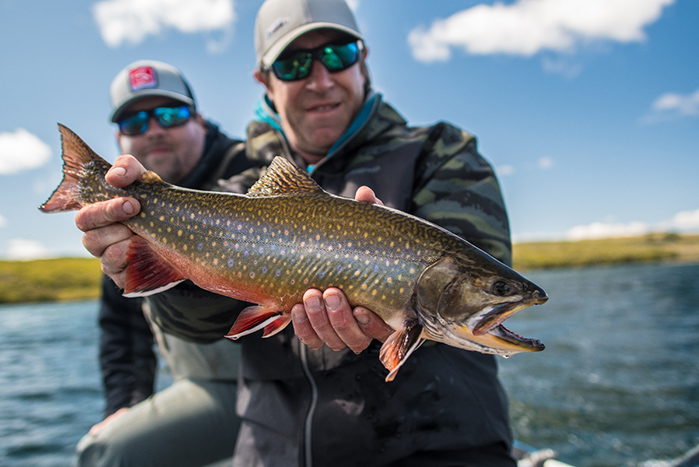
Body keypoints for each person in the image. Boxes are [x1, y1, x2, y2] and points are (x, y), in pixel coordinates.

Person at [75, 0, 517, 465]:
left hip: (438, 446)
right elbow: (189, 325)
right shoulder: (237, 191)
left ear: (363, 61)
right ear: (265, 81)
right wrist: (142, 255)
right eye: (294, 63)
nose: (320, 79)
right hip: (271, 450)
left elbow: (472, 258)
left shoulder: (440, 152)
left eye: (337, 54)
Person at [75, 60, 250, 467]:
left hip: (270, 379)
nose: (153, 129)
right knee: (103, 448)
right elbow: (121, 327)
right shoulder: (127, 213)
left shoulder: (248, 171)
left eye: (170, 115)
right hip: (198, 386)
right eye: (135, 122)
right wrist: (125, 404)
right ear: (120, 138)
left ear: (200, 121)